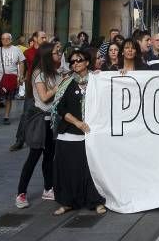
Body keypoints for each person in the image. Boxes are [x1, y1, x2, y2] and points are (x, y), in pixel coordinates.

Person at [51, 49, 106, 216]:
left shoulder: (97, 80)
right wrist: (77, 123)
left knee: (90, 169)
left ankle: (95, 201)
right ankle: (67, 202)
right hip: (69, 133)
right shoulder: (66, 82)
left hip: (92, 133)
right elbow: (60, 107)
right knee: (67, 169)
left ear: (87, 62)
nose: (75, 63)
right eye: (72, 61)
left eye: (79, 60)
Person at [15, 43, 61, 209]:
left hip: (52, 120)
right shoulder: (39, 74)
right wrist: (58, 86)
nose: (59, 54)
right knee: (33, 156)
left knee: (49, 156)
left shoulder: (55, 73)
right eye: (56, 52)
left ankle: (48, 188)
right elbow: (44, 97)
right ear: (48, 55)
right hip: (40, 120)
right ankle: (21, 193)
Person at [11, 31, 48, 151]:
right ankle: (20, 140)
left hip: (46, 86)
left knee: (46, 114)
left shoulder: (47, 51)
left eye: (45, 37)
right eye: (42, 37)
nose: (45, 39)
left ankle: (45, 140)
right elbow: (24, 67)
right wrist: (21, 76)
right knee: (26, 113)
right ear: (35, 38)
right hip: (31, 88)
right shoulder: (27, 52)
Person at [0, 33, 26, 126]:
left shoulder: (17, 50)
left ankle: (6, 117)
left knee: (9, 98)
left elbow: (21, 63)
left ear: (11, 40)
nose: (5, 40)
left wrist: (20, 76)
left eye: (7, 39)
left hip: (11, 77)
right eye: (3, 39)